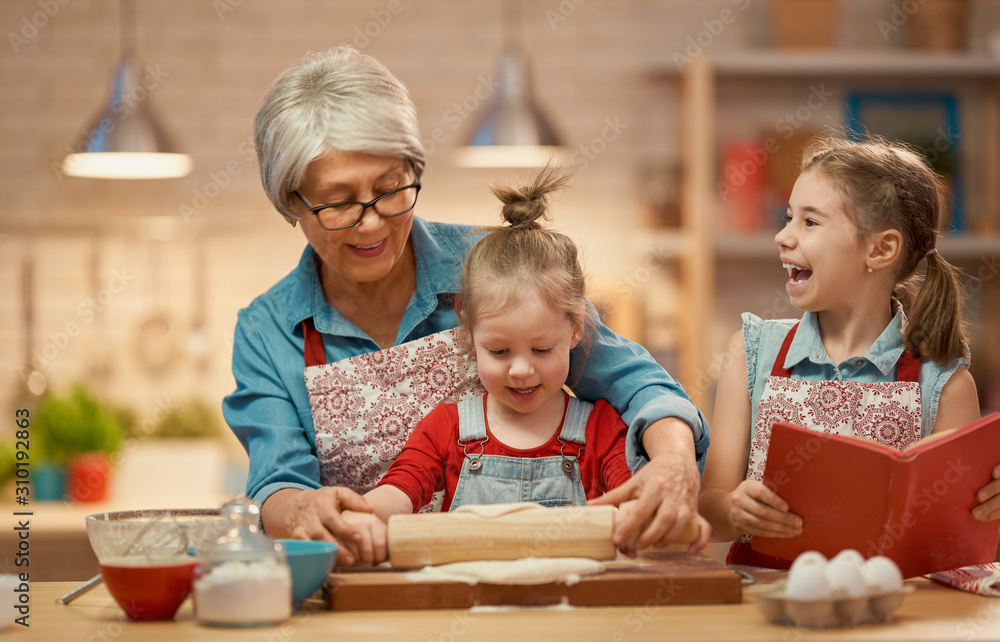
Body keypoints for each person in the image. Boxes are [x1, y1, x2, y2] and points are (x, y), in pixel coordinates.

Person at [221, 46, 710, 565]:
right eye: (339, 202)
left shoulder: (492, 268)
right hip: (367, 591)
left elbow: (637, 384)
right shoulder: (267, 329)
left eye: (390, 188)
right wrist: (302, 511)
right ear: (291, 203)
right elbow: (277, 482)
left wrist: (674, 461)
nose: (371, 223)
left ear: (413, 167)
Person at [337, 167, 673, 563]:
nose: (520, 370)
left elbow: (632, 500)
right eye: (499, 352)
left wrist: (644, 515)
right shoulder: (446, 429)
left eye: (542, 350)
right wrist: (364, 518)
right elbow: (397, 491)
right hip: (467, 611)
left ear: (575, 333)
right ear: (468, 331)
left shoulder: (602, 429)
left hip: (575, 613)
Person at [698, 133, 982, 569]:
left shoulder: (944, 384)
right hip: (764, 610)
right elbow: (710, 509)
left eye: (810, 222)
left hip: (887, 612)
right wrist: (733, 509)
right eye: (788, 216)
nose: (782, 236)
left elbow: (951, 545)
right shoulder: (750, 352)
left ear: (881, 249)